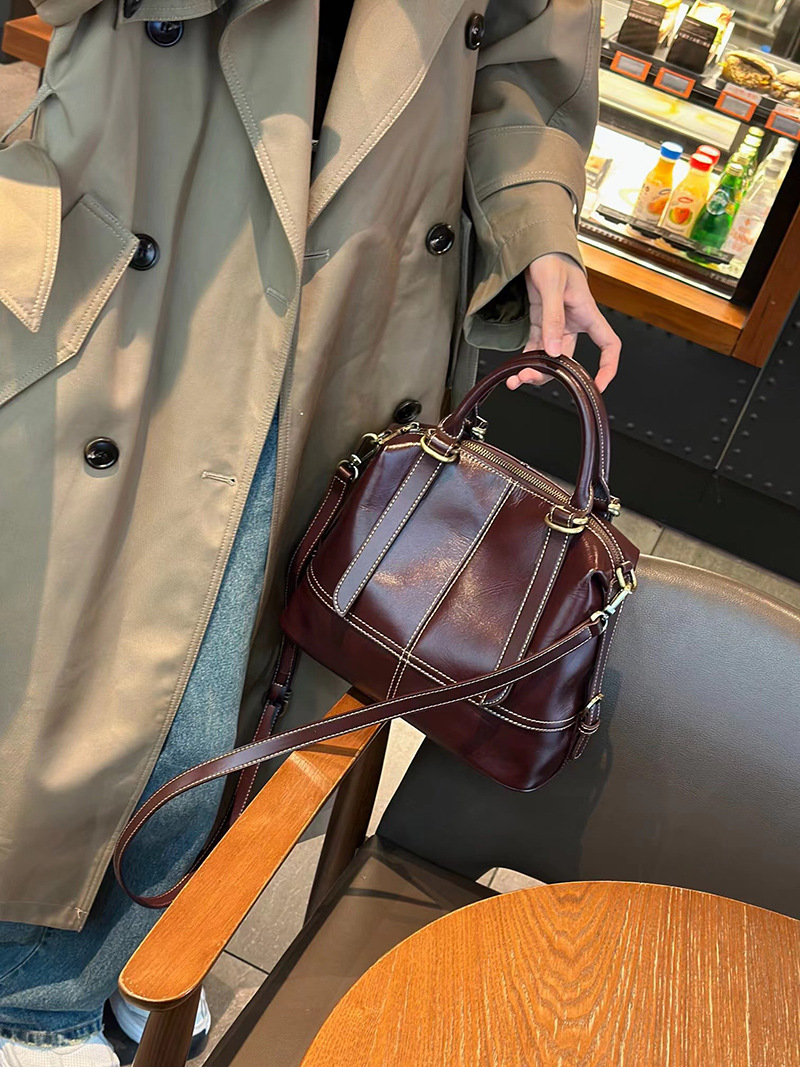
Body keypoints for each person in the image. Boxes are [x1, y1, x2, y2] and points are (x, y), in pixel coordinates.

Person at [0, 0, 619, 1062]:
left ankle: (109, 969)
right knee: (58, 647)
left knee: (239, 678)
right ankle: (40, 995)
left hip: (360, 288)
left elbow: (524, 58)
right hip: (142, 230)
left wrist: (534, 227)